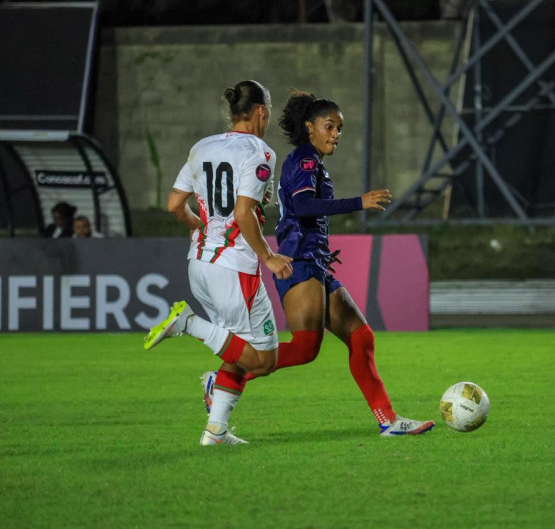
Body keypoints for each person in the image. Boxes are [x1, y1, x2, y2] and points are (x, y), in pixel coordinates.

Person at [206, 90, 434, 437]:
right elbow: (305, 206)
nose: (336, 134)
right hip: (298, 263)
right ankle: (224, 378)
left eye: (339, 128)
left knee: (361, 338)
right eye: (330, 126)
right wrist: (360, 201)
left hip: (315, 264)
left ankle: (388, 421)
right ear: (309, 127)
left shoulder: (310, 161)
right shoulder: (305, 160)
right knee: (304, 348)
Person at [143, 79, 294, 446]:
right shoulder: (259, 152)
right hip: (235, 268)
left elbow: (174, 206)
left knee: (237, 349)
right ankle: (187, 324)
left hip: (199, 263)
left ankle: (216, 430)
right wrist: (269, 257)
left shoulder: (202, 147)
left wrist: (202, 228)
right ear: (261, 111)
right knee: (263, 360)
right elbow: (244, 213)